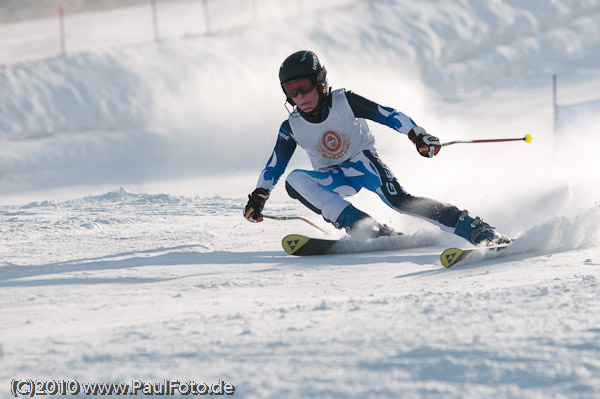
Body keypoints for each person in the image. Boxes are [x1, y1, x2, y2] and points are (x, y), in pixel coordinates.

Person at [244, 50, 510, 246]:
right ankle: (364, 227)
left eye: (304, 87)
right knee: (295, 181)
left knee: (401, 201)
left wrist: (417, 135)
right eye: (291, 91)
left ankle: (475, 229)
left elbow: (388, 114)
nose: (299, 97)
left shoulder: (345, 101)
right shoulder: (291, 126)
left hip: (363, 164)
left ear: (320, 82)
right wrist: (258, 197)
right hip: (332, 176)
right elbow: (274, 166)